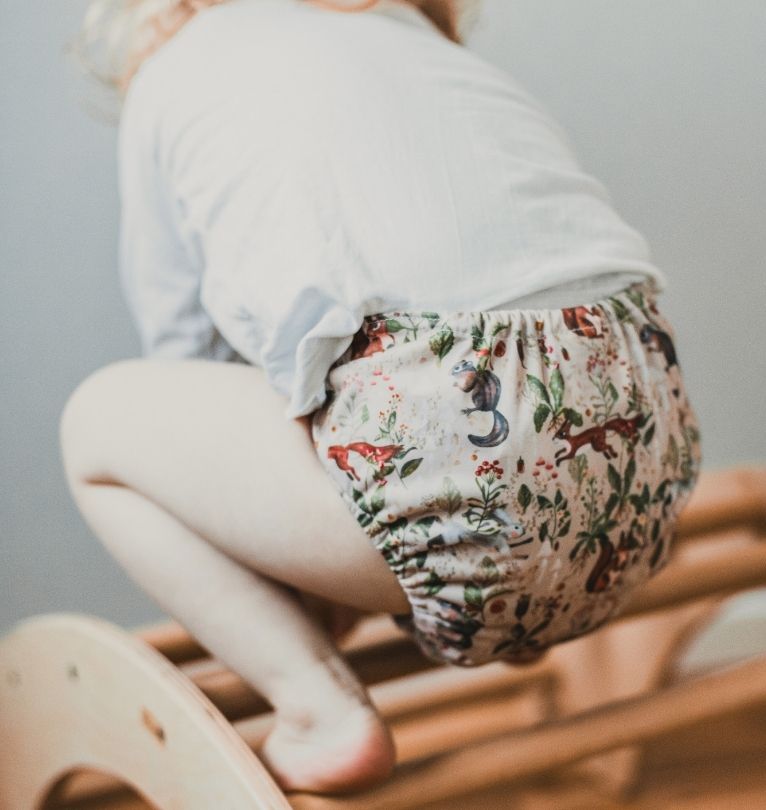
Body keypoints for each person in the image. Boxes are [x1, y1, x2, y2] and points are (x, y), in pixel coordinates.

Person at [61, 0, 702, 794]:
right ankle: (519, 597)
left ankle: (317, 706)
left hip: (455, 485)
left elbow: (185, 347)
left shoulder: (174, 72)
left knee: (97, 426)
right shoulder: (417, 41)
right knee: (381, 385)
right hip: (647, 459)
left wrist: (277, 556)